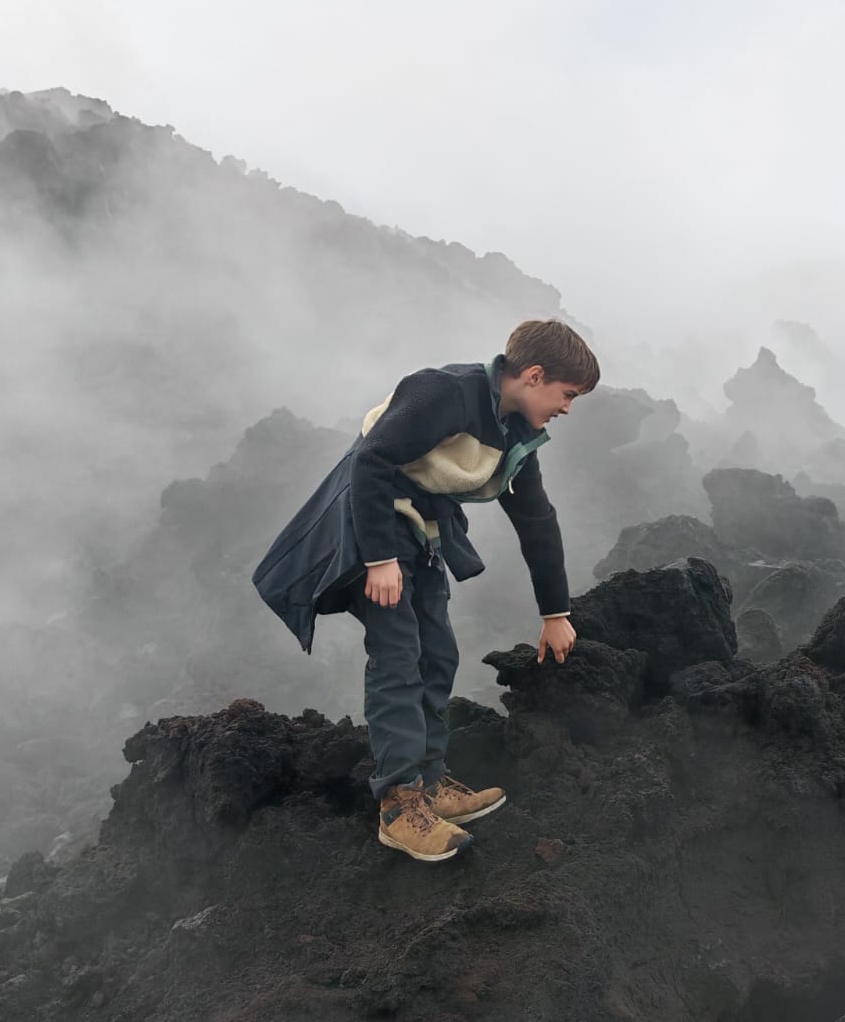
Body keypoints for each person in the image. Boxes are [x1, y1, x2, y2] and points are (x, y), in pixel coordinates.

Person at [252, 319, 600, 862]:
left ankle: (432, 782)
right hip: (369, 527)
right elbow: (371, 460)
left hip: (423, 532)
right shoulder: (444, 392)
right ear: (534, 375)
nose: (567, 408)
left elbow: (538, 521)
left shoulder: (514, 433)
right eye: (568, 394)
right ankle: (399, 804)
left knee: (438, 652)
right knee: (397, 656)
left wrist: (556, 612)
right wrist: (379, 559)